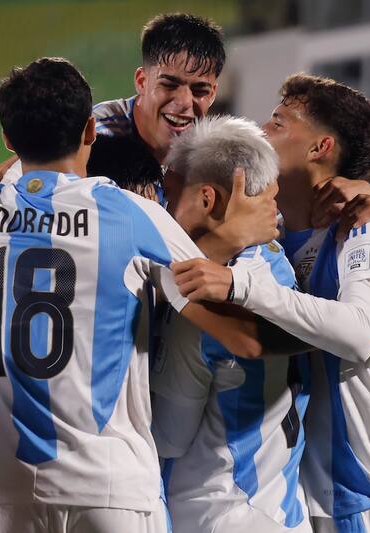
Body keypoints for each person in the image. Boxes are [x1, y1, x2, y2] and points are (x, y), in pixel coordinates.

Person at [0, 58, 272, 533]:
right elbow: (235, 330)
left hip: (10, 492)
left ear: (8, 139)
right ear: (90, 129)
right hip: (112, 487)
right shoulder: (128, 213)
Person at [172, 74, 370, 532]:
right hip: (299, 493)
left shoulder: (367, 225)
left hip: (363, 493)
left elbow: (359, 332)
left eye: (278, 122)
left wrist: (238, 286)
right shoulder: (279, 238)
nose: (262, 130)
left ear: (319, 148)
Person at [1, 13, 279, 264]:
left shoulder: (210, 146)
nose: (184, 102)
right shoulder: (92, 134)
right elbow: (16, 175)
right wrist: (229, 239)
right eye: (169, 85)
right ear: (142, 81)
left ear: (214, 92)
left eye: (200, 90)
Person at [152, 115, 313, 532]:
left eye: (168, 192)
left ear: (208, 199)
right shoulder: (276, 266)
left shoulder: (202, 303)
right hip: (280, 508)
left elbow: (169, 435)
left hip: (213, 511)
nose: (159, 205)